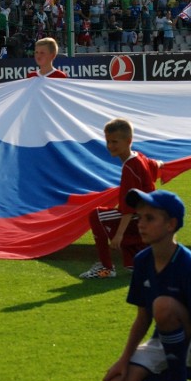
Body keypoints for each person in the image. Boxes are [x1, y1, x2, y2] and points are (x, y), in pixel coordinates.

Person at [101, 189, 191, 381]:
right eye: (140, 217)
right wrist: (124, 360)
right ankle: (181, 375)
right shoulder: (142, 261)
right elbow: (142, 319)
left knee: (162, 305)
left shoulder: (188, 265)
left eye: (150, 218)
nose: (140, 224)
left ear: (171, 224)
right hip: (167, 339)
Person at [80, 118, 162, 278]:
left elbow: (128, 207)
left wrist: (119, 235)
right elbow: (154, 164)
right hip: (151, 218)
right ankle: (135, 257)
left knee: (96, 215)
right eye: (108, 141)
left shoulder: (130, 167)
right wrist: (161, 164)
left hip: (141, 218)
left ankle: (106, 267)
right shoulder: (139, 157)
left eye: (115, 141)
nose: (110, 146)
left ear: (128, 141)